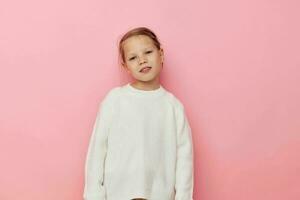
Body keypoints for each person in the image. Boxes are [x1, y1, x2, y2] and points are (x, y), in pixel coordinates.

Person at [83, 26, 194, 200]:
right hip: (118, 194)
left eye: (148, 52)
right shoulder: (115, 100)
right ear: (125, 66)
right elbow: (97, 151)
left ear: (161, 54)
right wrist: (94, 195)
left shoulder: (173, 107)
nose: (142, 60)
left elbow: (184, 161)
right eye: (133, 57)